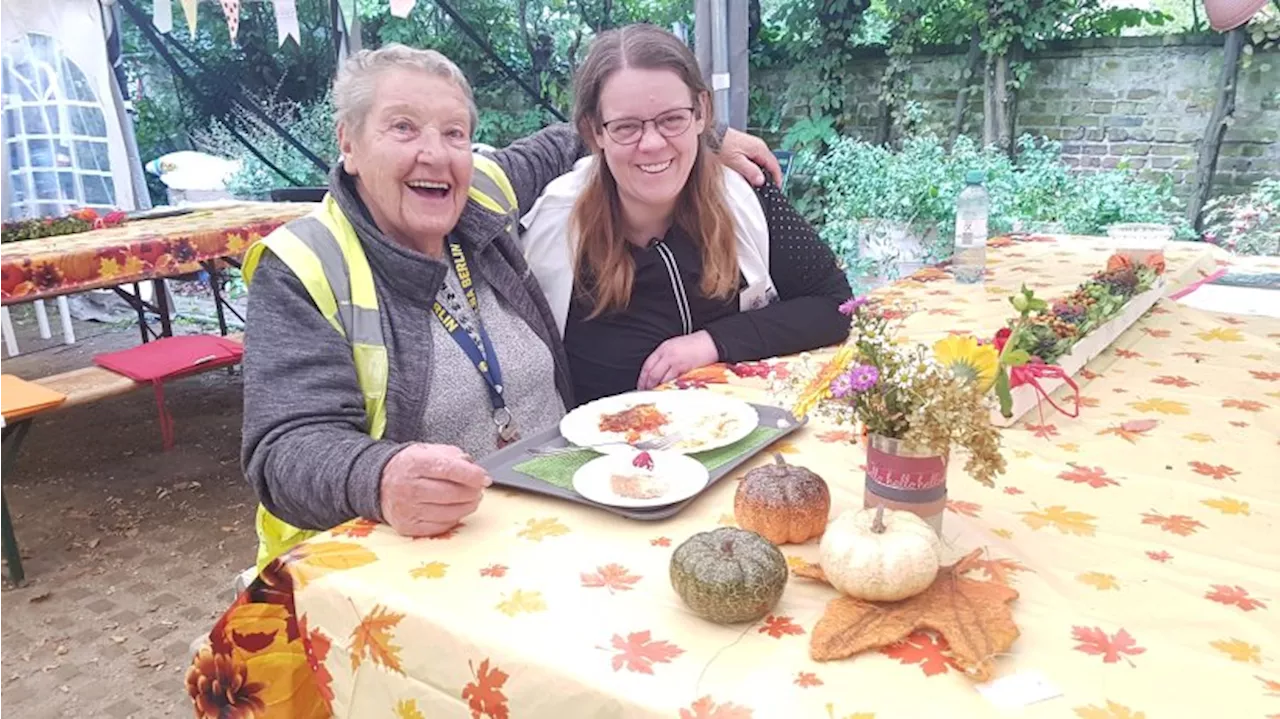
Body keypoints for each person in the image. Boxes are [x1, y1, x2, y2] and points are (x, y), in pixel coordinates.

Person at [239, 43, 781, 569]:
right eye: (403, 127)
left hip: (564, 517)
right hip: (423, 558)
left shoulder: (479, 197)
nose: (435, 153)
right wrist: (377, 477)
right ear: (349, 144)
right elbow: (284, 447)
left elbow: (589, 131)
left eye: (454, 133)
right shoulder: (305, 264)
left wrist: (704, 134)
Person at [519, 24, 852, 406]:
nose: (653, 143)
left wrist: (713, 342)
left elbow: (835, 303)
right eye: (626, 127)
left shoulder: (742, 195)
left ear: (701, 113)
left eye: (671, 119)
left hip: (742, 439)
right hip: (611, 457)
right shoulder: (555, 231)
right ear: (594, 132)